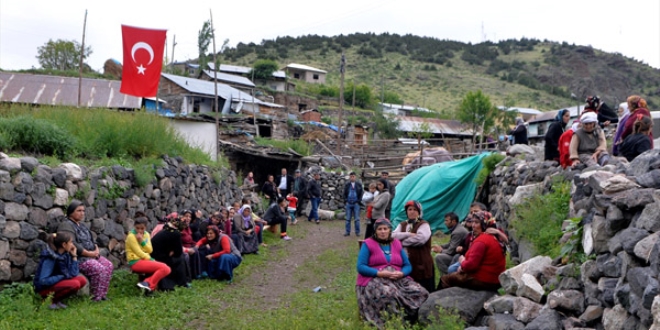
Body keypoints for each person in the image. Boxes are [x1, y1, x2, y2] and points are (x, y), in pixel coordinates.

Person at [356, 218, 429, 328]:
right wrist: (379, 273)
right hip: (374, 279)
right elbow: (360, 267)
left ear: (390, 230)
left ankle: (412, 319)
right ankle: (393, 323)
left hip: (397, 278)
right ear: (375, 231)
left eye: (385, 228)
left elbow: (407, 265)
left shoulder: (396, 243)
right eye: (380, 229)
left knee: (421, 291)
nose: (383, 231)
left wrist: (402, 273)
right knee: (389, 293)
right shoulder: (368, 244)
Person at [57, 200, 113, 302]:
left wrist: (96, 249)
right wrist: (89, 253)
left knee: (108, 265)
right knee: (98, 269)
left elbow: (92, 239)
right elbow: (72, 244)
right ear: (71, 212)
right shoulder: (66, 225)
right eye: (79, 211)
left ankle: (102, 295)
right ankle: (95, 297)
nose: (82, 213)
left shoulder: (82, 226)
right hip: (78, 258)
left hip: (91, 254)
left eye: (83, 211)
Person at [440, 211, 506, 291]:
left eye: (477, 223)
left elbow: (471, 265)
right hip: (495, 280)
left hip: (484, 280)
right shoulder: (495, 237)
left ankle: (438, 301)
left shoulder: (482, 240)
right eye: (473, 222)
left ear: (484, 224)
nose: (473, 226)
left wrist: (463, 262)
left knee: (445, 279)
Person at [33, 232, 87, 309]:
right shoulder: (50, 258)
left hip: (57, 284)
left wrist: (74, 256)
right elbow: (43, 281)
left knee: (82, 280)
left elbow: (73, 274)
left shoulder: (66, 254)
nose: (72, 245)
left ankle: (56, 301)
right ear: (64, 245)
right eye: (71, 242)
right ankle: (47, 301)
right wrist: (62, 276)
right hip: (43, 289)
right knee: (75, 284)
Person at [392, 200, 435, 293]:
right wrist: (407, 234)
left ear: (419, 212)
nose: (412, 211)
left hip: (421, 261)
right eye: (409, 209)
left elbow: (420, 239)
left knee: (424, 287)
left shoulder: (424, 224)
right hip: (405, 261)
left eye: (415, 209)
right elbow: (392, 236)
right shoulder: (403, 224)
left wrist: (400, 241)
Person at [125, 215, 171, 293]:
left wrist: (141, 241)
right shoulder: (131, 236)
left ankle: (146, 283)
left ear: (145, 227)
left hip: (144, 260)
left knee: (166, 269)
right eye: (137, 228)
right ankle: (150, 286)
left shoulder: (146, 234)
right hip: (135, 261)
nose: (139, 231)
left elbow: (150, 250)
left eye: (142, 228)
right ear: (134, 227)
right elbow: (138, 252)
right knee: (165, 268)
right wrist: (150, 259)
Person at [151, 214, 188, 290]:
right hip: (160, 258)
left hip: (153, 256)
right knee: (180, 258)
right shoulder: (176, 233)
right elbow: (178, 252)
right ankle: (181, 283)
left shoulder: (165, 230)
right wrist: (172, 251)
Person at [432, 212, 468, 276]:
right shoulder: (457, 229)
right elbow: (451, 243)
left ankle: (448, 276)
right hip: (459, 254)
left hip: (461, 256)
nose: (445, 223)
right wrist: (441, 246)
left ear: (453, 221)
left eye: (446, 220)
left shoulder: (457, 232)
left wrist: (441, 250)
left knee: (439, 257)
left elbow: (451, 251)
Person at [179, 210, 202, 281]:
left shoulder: (187, 227)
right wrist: (187, 249)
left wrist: (197, 244)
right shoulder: (180, 228)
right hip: (182, 248)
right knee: (189, 254)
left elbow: (190, 239)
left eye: (190, 217)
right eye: (186, 216)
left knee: (196, 250)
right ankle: (188, 276)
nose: (188, 218)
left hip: (189, 246)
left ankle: (195, 274)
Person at [343, 172, 364, 237]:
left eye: (353, 176)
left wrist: (358, 201)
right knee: (348, 218)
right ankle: (347, 232)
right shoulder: (347, 184)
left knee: (357, 219)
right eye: (351, 176)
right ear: (349, 177)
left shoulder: (358, 184)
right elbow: (344, 193)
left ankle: (357, 232)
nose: (352, 178)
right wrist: (346, 200)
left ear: (355, 177)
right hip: (349, 203)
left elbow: (361, 193)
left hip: (356, 203)